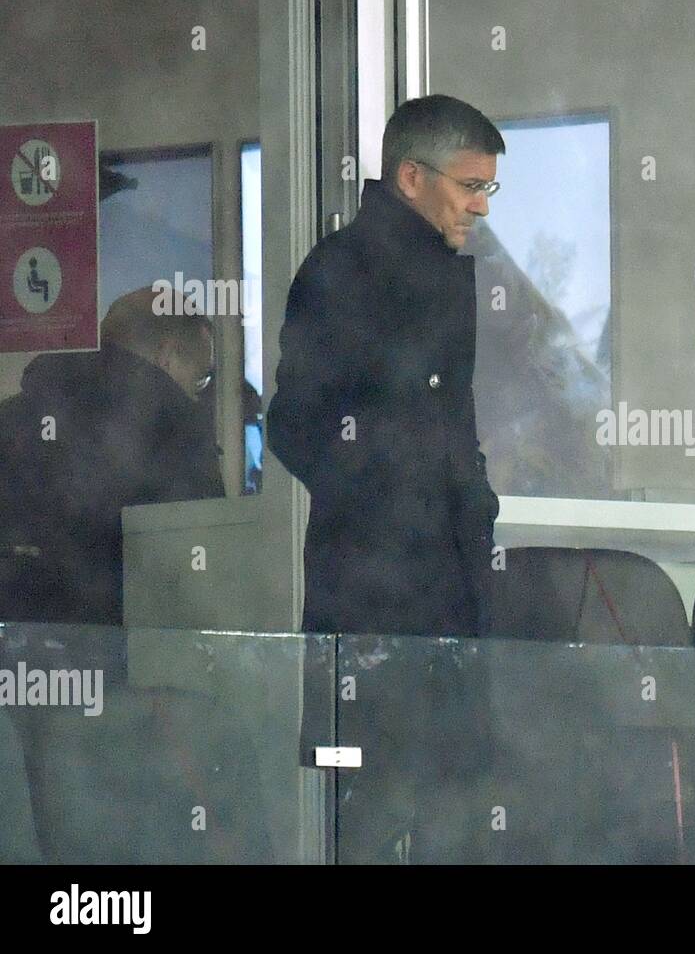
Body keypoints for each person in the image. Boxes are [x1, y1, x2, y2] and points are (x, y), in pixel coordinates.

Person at [267, 94, 501, 638]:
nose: (482, 206)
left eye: (487, 188)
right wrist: (389, 512)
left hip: (447, 581)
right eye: (469, 186)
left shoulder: (438, 271)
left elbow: (448, 425)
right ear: (413, 177)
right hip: (371, 594)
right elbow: (293, 422)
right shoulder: (342, 271)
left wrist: (472, 506)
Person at [0, 287, 223, 627]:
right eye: (201, 377)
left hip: (18, 655)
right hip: (129, 657)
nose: (198, 392)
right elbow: (202, 572)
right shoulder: (179, 433)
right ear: (167, 355)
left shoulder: (14, 418)